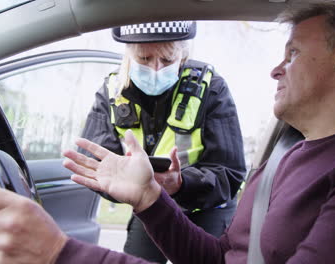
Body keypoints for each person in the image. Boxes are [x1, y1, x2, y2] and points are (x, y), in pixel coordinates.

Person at [0, 1, 335, 264]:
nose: (275, 69)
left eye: (291, 53)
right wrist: (150, 197)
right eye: (144, 60)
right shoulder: (286, 157)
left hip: (204, 205)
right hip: (160, 209)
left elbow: (226, 173)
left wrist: (60, 254)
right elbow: (220, 261)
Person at [79, 21, 246, 263]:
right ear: (128, 56)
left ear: (183, 55)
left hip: (208, 209)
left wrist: (181, 184)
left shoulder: (211, 88)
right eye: (144, 59)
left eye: (167, 60)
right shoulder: (111, 92)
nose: (155, 69)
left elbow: (229, 172)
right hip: (149, 203)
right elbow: (97, 163)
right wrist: (126, 186)